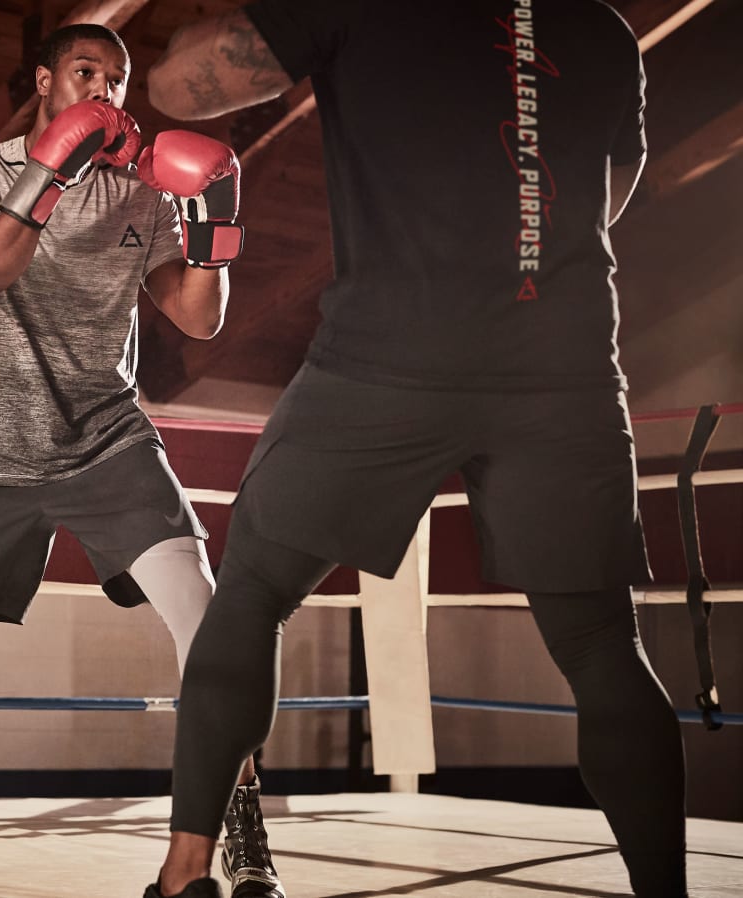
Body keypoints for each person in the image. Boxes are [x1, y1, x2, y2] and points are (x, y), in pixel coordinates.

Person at [140, 3, 689, 898]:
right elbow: (606, 190)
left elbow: (175, 88)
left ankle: (185, 875)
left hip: (388, 355)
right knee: (600, 643)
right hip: (563, 359)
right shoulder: (603, 26)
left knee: (254, 593)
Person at [0, 24, 279, 894]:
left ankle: (245, 835)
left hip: (110, 439)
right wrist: (50, 169)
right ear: (45, 80)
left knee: (208, 623)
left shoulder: (139, 194)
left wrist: (212, 223)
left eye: (117, 81)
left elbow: (200, 320)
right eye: (87, 73)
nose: (106, 93)